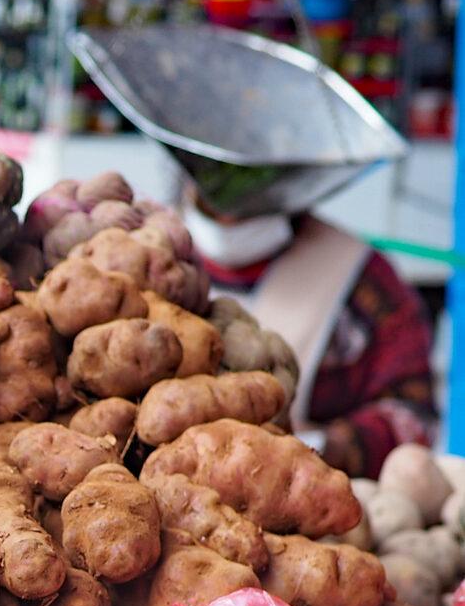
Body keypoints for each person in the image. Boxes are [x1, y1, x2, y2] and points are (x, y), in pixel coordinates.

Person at [185, 200, 436, 474]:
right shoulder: (154, 244)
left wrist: (326, 446)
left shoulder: (358, 273)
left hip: (307, 484)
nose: (228, 216)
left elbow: (413, 417)